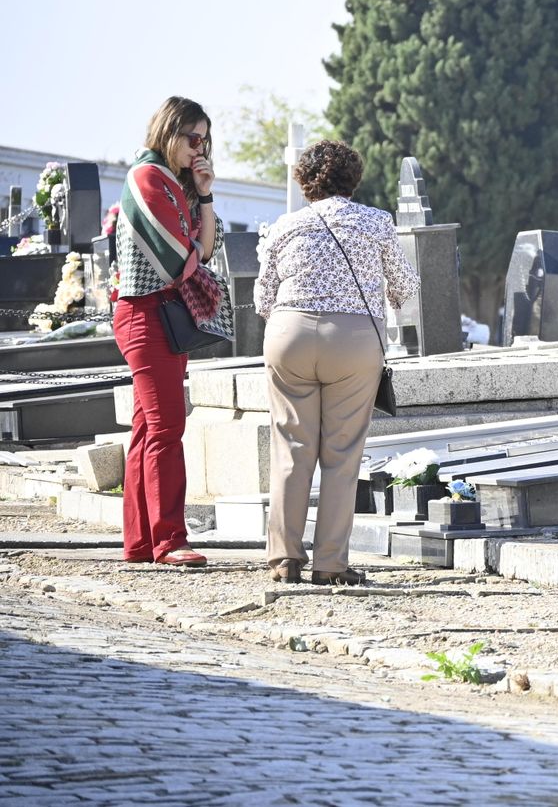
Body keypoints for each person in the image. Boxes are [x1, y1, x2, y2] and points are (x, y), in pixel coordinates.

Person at [255, 141, 418, 585]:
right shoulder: (377, 222)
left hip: (289, 335)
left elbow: (262, 298)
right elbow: (405, 288)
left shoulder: (285, 226)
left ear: (304, 182)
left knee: (291, 447)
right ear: (354, 179)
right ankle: (330, 564)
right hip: (353, 341)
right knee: (342, 456)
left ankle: (284, 558)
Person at [113, 96, 220, 567]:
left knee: (147, 428)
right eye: (192, 138)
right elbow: (180, 258)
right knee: (166, 426)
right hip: (146, 313)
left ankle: (139, 543)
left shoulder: (175, 184)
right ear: (169, 131)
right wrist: (199, 260)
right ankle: (169, 540)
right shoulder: (147, 176)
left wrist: (206, 193)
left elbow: (206, 249)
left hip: (163, 316)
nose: (199, 149)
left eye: (205, 141)